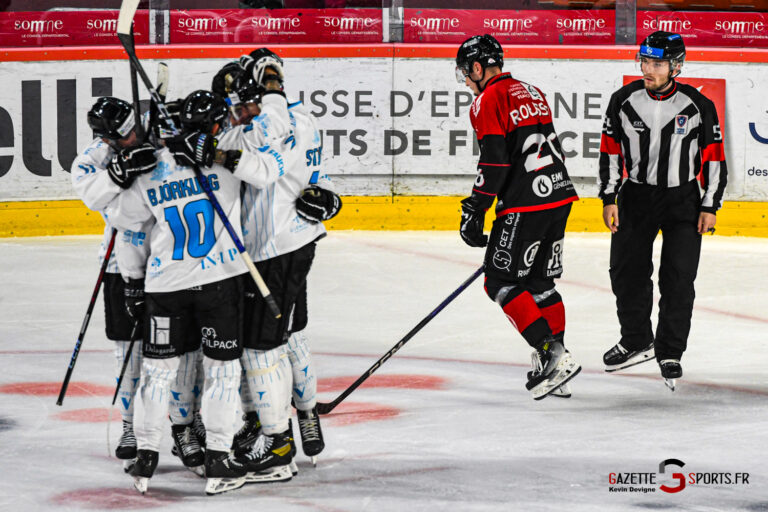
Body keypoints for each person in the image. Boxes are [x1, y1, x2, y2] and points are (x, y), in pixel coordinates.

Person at [106, 89, 292, 495]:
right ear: (216, 125)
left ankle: (147, 455)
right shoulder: (222, 161)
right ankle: (219, 458)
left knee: (157, 372)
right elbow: (269, 171)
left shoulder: (152, 167)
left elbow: (124, 221)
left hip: (165, 287)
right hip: (219, 283)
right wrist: (218, 158)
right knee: (222, 373)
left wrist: (132, 280)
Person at [215, 48, 341, 476]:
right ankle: (299, 414)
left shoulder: (277, 121)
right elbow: (310, 172)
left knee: (262, 344)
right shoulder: (299, 118)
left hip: (278, 248)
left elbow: (263, 162)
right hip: (290, 243)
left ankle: (277, 436)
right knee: (292, 333)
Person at [598, 31, 728, 388]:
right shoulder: (623, 100)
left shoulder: (698, 104)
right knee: (625, 272)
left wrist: (709, 205)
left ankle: (670, 351)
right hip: (635, 198)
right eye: (644, 61)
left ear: (676, 66)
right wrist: (609, 198)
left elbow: (714, 158)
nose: (648, 69)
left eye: (657, 63)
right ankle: (636, 339)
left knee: (679, 279)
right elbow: (610, 151)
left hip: (683, 200)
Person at [455, 34, 581, 400]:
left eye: (466, 72)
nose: (466, 80)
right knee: (541, 283)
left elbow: (494, 161)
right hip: (558, 194)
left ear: (478, 68)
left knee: (499, 282)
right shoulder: (532, 91)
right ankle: (558, 367)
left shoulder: (486, 99)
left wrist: (474, 209)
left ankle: (550, 354)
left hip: (525, 203)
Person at [71, 97, 157, 471]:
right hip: (120, 264)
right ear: (105, 138)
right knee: (128, 352)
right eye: (123, 135)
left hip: (169, 260)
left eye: (133, 127)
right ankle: (128, 426)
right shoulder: (93, 158)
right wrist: (119, 173)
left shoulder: (152, 135)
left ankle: (189, 422)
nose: (133, 135)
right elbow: (92, 196)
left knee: (185, 351)